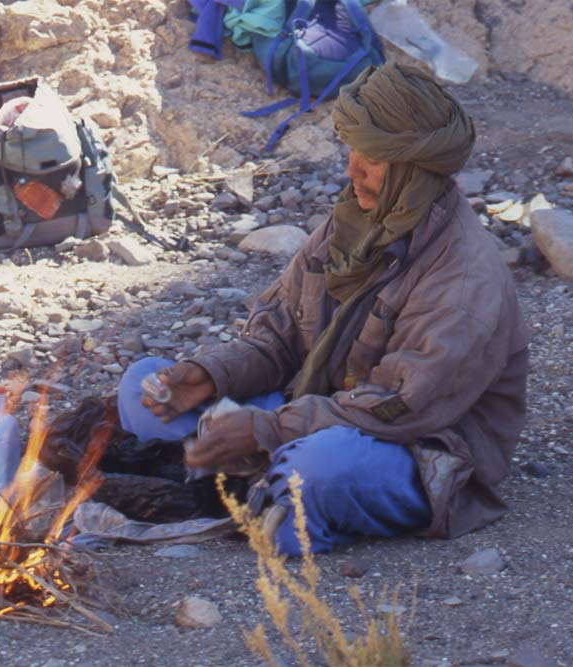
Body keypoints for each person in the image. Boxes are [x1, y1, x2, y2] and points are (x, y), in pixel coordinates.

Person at [117, 63, 529, 556]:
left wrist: (265, 429)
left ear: (414, 170)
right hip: (316, 410)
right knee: (144, 384)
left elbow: (399, 408)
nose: (352, 170)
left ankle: (247, 484)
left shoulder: (463, 279)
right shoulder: (351, 225)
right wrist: (210, 376)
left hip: (409, 447)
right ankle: (249, 483)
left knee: (314, 472)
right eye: (353, 150)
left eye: (372, 158)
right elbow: (281, 336)